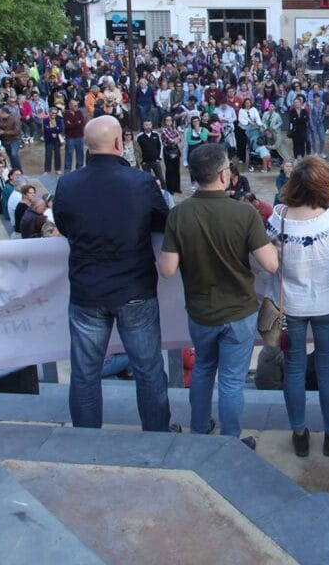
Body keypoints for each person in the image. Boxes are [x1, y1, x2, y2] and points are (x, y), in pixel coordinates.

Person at [52, 116, 173, 433]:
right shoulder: (140, 182)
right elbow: (164, 223)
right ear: (120, 144)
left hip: (87, 292)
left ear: (88, 147)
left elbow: (64, 227)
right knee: (148, 369)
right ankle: (157, 436)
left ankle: (88, 440)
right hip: (135, 290)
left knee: (85, 372)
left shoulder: (67, 184)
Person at [160, 144, 279, 447]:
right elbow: (270, 264)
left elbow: (168, 269)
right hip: (239, 311)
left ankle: (199, 431)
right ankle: (230, 440)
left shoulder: (179, 214)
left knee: (202, 371)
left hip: (200, 311)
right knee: (231, 381)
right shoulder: (244, 213)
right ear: (225, 174)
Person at [268, 157, 329, 458]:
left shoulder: (277, 219)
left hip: (291, 304)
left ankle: (299, 433)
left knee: (293, 367)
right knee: (328, 365)